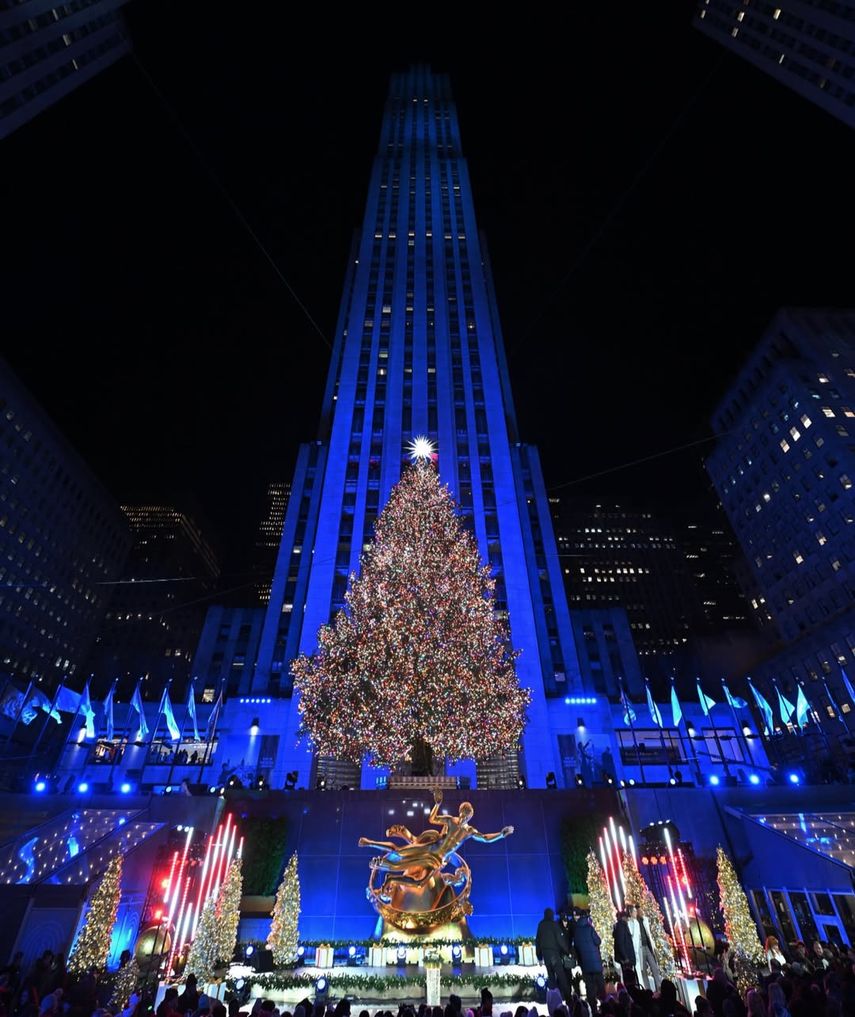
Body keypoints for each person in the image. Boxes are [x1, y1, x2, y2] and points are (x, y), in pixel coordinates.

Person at [570, 909, 604, 1015]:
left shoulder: (576, 931)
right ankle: (604, 1006)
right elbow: (598, 941)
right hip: (596, 963)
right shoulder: (590, 928)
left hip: (585, 965)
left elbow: (576, 948)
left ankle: (593, 1009)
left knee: (589, 988)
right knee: (600, 985)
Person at [536, 908, 572, 1002]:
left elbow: (538, 941)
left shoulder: (541, 925)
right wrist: (567, 951)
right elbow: (560, 940)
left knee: (551, 977)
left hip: (546, 954)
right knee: (561, 976)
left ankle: (554, 1000)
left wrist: (539, 957)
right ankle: (568, 998)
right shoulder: (554, 925)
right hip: (554, 954)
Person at [627, 904, 660, 990]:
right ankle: (648, 990)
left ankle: (659, 988)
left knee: (654, 967)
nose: (642, 912)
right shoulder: (633, 922)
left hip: (647, 947)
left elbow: (649, 934)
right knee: (643, 971)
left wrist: (653, 946)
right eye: (639, 911)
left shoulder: (644, 920)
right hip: (640, 948)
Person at [613, 910, 636, 986]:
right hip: (626, 958)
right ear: (623, 917)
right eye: (626, 918)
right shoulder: (621, 926)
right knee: (629, 979)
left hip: (626, 957)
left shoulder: (621, 926)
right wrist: (625, 957)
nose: (627, 919)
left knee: (629, 977)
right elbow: (621, 943)